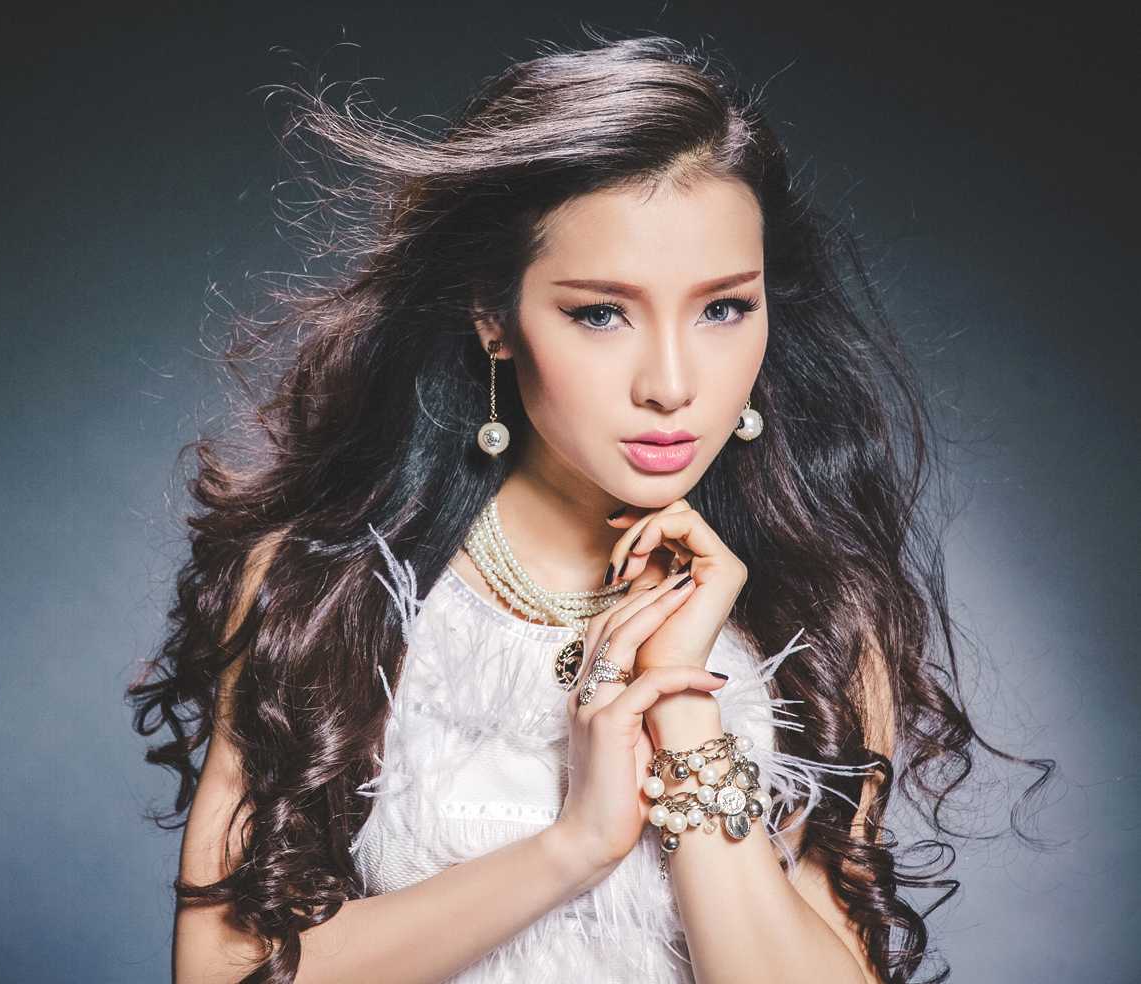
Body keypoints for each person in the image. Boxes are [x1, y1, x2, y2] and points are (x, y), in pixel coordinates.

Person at [127, 29, 1051, 984]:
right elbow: (223, 972)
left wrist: (681, 703)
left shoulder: (822, 620)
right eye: (601, 313)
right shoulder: (326, 591)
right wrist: (575, 847)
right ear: (493, 316)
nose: (672, 383)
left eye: (724, 308)